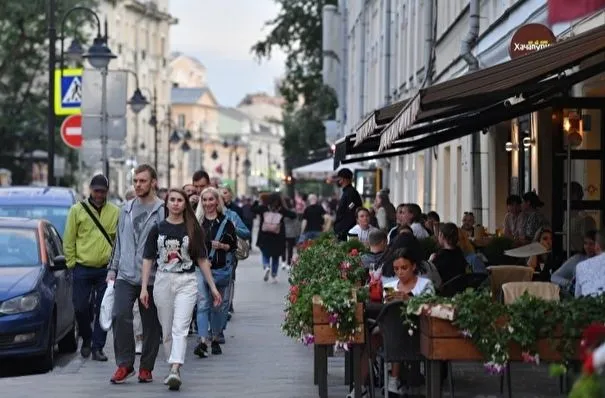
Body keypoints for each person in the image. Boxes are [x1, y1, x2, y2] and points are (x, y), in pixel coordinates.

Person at [140, 188, 221, 391]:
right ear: (167, 203)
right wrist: (143, 288)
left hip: (186, 281)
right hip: (163, 281)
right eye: (172, 200)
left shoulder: (193, 229)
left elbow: (202, 260)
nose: (176, 203)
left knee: (180, 328)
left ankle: (176, 369)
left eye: (180, 200)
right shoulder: (157, 229)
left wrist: (213, 288)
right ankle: (172, 366)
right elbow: (148, 259)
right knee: (166, 330)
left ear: (185, 204)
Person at [107, 164, 165, 384]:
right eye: (135, 181)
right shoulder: (126, 208)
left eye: (142, 181)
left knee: (150, 324)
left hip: (151, 277)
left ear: (153, 183)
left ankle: (146, 368)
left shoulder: (162, 210)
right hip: (125, 274)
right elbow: (118, 242)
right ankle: (125, 364)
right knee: (119, 315)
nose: (138, 185)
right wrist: (113, 269)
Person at [63, 174, 119, 361]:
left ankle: (98, 347)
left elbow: (118, 241)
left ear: (107, 192)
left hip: (106, 268)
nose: (99, 195)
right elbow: (69, 239)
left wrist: (115, 266)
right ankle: (86, 338)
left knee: (103, 309)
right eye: (96, 191)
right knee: (80, 308)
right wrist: (71, 264)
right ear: (90, 190)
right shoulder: (77, 210)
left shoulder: (114, 211)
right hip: (82, 267)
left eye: (102, 191)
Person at [194, 187, 237, 357]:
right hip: (200, 269)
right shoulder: (197, 222)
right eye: (204, 200)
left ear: (217, 201)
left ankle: (216, 335)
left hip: (219, 270)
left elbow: (233, 247)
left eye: (211, 199)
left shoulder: (226, 222)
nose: (207, 203)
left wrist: (222, 246)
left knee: (217, 306)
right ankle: (203, 340)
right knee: (203, 303)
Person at [253, 192, 297, 282]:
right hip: (278, 237)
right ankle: (274, 274)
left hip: (264, 236)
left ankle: (266, 267)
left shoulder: (264, 208)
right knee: (276, 256)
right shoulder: (281, 210)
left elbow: (253, 209)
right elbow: (293, 215)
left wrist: (256, 201)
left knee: (265, 253)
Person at [333, 168, 363, 241]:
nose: (337, 181)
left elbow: (350, 213)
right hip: (345, 231)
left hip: (346, 233)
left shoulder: (350, 193)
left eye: (339, 178)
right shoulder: (348, 192)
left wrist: (342, 231)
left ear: (343, 179)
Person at [575, 230, 605, 297]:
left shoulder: (580, 266)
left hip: (588, 305)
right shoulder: (578, 260)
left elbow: (577, 298)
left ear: (596, 246)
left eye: (591, 244)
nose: (587, 247)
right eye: (585, 243)